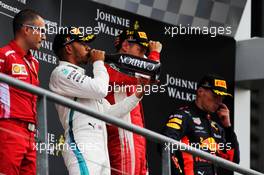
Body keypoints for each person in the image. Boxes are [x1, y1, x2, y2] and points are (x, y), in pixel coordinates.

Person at [49, 27, 148, 175]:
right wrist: (99, 63)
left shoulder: (86, 82)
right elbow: (100, 89)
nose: (88, 48)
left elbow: (109, 114)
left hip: (101, 148)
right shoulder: (61, 73)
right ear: (69, 48)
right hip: (82, 143)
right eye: (83, 43)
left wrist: (138, 93)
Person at [105, 28, 162, 175]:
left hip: (137, 144)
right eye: (140, 50)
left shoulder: (132, 71)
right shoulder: (111, 66)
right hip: (122, 142)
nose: (143, 56)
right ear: (125, 46)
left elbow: (151, 76)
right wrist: (154, 53)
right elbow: (151, 72)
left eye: (145, 52)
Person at [163, 74, 240, 175]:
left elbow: (233, 161)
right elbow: (165, 145)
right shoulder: (183, 115)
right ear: (200, 92)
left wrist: (228, 127)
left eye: (222, 97)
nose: (219, 101)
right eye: (215, 95)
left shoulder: (216, 127)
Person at [0, 9, 45, 175]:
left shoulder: (34, 62)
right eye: (41, 30)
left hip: (31, 134)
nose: (44, 36)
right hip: (9, 128)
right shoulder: (4, 55)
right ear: (26, 30)